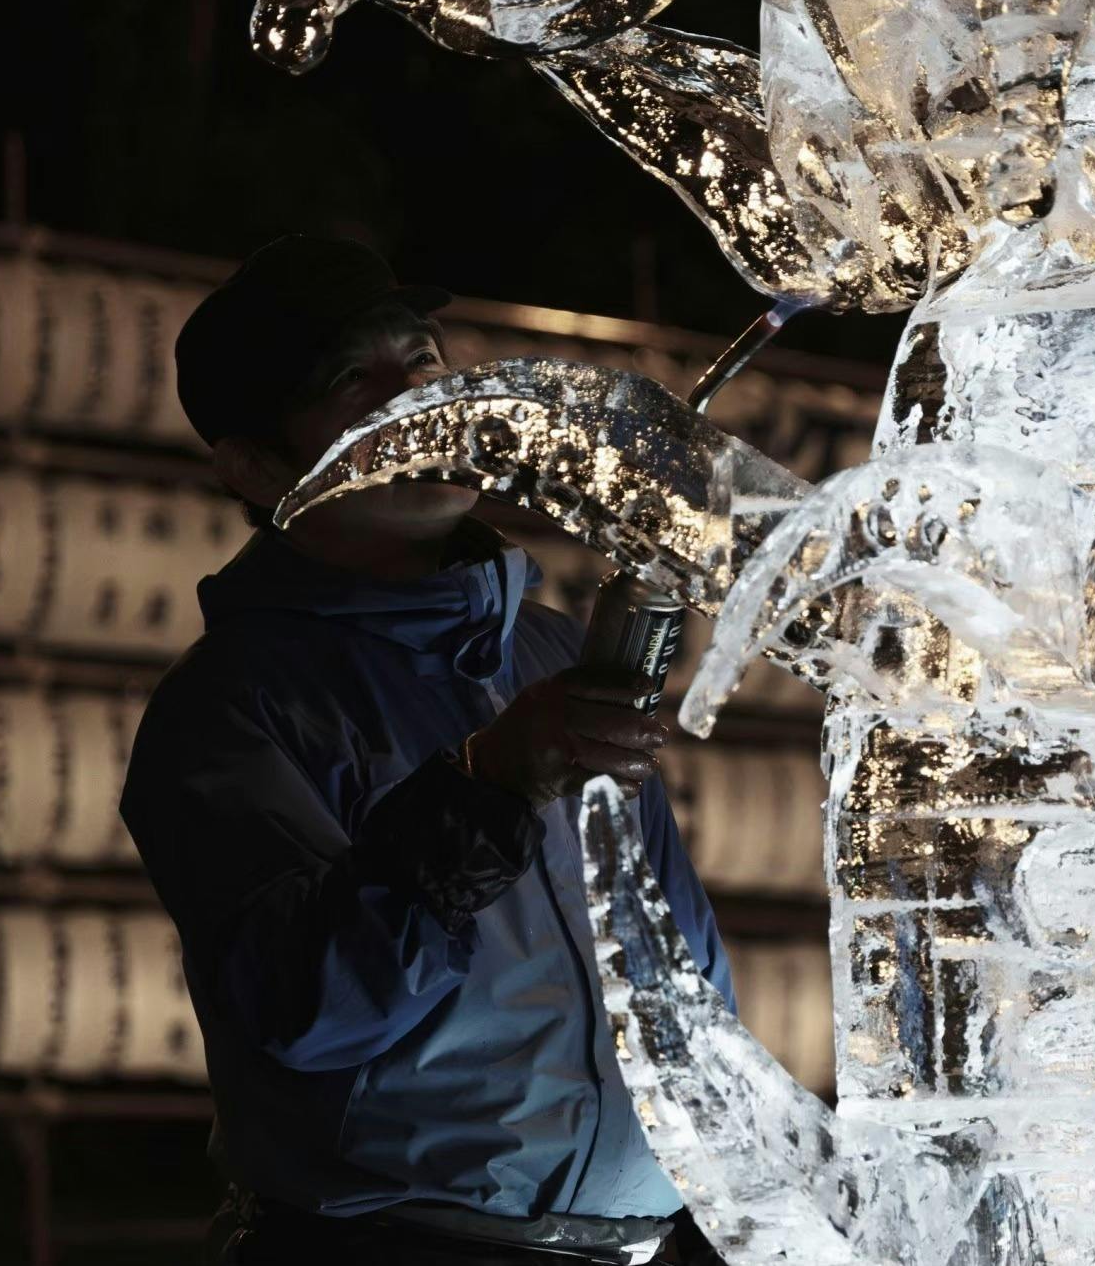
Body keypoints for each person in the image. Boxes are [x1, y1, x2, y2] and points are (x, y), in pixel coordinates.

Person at [120, 234, 731, 1266]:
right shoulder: (230, 706)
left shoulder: (546, 648)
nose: (416, 399)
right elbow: (312, 1005)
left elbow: (678, 956)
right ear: (258, 467)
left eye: (422, 360)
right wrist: (491, 785)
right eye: (352, 382)